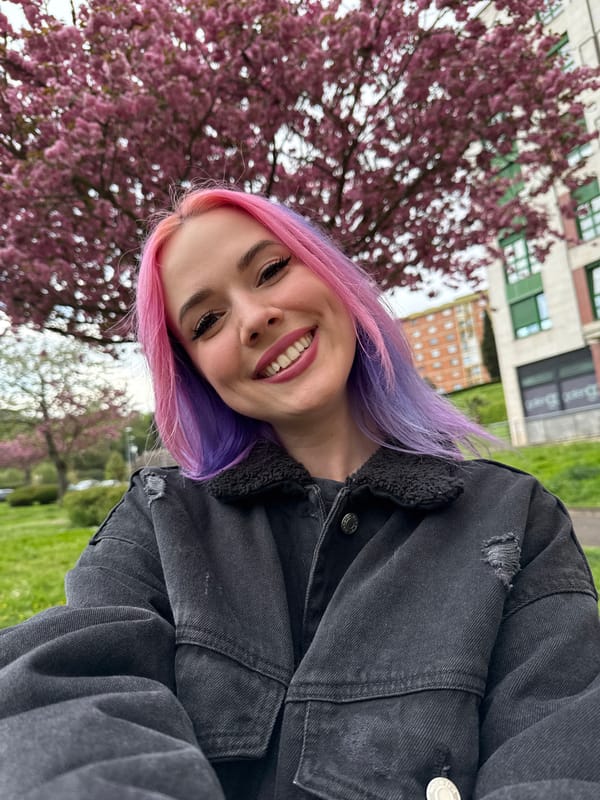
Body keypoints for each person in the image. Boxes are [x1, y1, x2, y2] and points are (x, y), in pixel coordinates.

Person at [1, 187, 599, 800]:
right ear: (198, 374)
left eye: (270, 270)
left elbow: (563, 750)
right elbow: (66, 691)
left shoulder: (515, 521)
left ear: (330, 275)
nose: (255, 317)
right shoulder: (159, 518)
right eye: (206, 321)